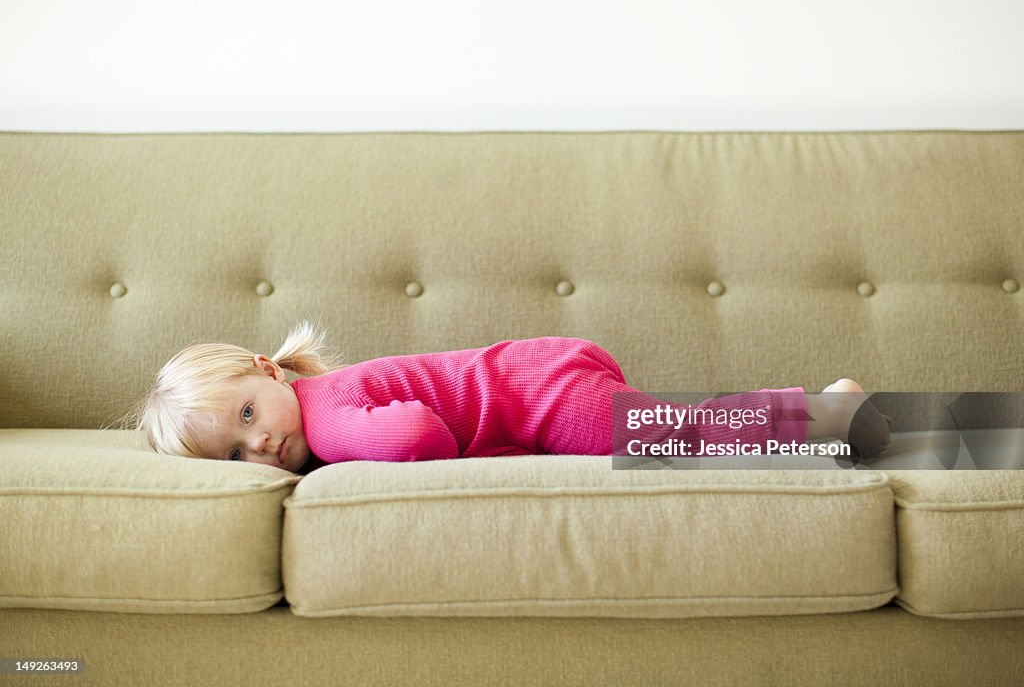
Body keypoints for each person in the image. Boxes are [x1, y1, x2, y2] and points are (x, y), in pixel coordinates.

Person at [132, 322, 891, 474]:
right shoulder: (320, 406)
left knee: (672, 436)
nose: (258, 445)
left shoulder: (326, 416)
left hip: (538, 394)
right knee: (677, 426)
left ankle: (830, 414)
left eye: (247, 418)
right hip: (537, 372)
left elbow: (419, 439)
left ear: (270, 374)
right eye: (234, 454)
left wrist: (333, 455)